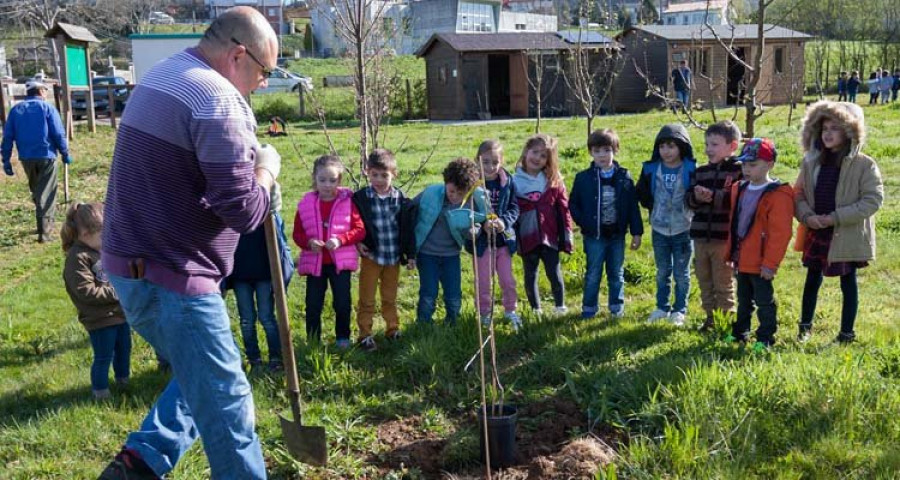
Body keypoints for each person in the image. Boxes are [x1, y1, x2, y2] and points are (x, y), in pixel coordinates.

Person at [98, 7, 282, 480]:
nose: (263, 84)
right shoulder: (218, 99)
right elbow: (243, 210)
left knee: (201, 376)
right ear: (239, 54)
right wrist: (266, 170)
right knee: (228, 406)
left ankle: (141, 462)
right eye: (264, 72)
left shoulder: (165, 74)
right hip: (174, 279)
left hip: (128, 267)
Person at [794, 101, 883, 343]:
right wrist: (807, 217)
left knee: (848, 282)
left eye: (835, 128)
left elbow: (873, 199)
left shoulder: (864, 164)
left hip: (845, 233)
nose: (828, 134)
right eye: (824, 129)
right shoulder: (811, 161)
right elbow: (798, 194)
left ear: (850, 130)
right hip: (817, 230)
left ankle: (846, 333)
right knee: (812, 278)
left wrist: (835, 218)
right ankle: (804, 328)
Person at [723, 138, 794, 350]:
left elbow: (780, 234)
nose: (746, 169)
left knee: (764, 301)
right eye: (744, 164)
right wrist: (731, 254)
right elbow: (735, 224)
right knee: (743, 300)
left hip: (761, 261)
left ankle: (765, 338)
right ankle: (740, 333)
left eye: (753, 165)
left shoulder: (778, 194)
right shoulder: (741, 188)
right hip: (741, 258)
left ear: (770, 165)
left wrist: (770, 263)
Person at [570, 129, 642, 320]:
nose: (602, 155)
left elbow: (633, 207)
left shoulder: (624, 177)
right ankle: (589, 307)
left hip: (617, 235)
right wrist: (584, 222)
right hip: (594, 236)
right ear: (591, 153)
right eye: (597, 151)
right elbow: (573, 204)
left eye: (606, 150)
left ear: (615, 150)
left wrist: (637, 232)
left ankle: (616, 307)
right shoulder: (583, 178)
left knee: (616, 273)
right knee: (593, 273)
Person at [293, 155, 365, 348]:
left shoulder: (347, 202)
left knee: (342, 302)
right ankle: (313, 340)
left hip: (339, 264)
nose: (327, 185)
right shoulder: (305, 204)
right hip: (315, 264)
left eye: (332, 180)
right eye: (322, 180)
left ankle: (343, 337)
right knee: (313, 304)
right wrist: (308, 243)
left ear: (339, 180)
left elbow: (359, 229)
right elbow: (297, 233)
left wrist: (340, 240)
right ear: (314, 179)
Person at [61, 202, 131, 400]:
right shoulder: (78, 258)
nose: (108, 239)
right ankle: (101, 392)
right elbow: (86, 291)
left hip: (120, 314)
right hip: (99, 319)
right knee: (103, 356)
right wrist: (118, 292)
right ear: (85, 234)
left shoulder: (101, 250)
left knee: (124, 350)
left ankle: (123, 382)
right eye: (103, 235)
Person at [409, 157, 486, 326]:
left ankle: (453, 320)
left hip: (451, 255)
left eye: (461, 193)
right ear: (445, 183)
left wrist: (474, 231)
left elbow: (479, 221)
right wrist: (410, 251)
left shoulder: (474, 201)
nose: (455, 197)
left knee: (453, 293)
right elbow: (410, 210)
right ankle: (423, 323)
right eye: (451, 192)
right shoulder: (431, 194)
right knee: (428, 291)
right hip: (427, 254)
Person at [353, 149, 415, 351]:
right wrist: (357, 242)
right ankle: (365, 334)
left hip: (393, 257)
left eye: (384, 175)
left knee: (389, 297)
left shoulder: (400, 198)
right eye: (374, 175)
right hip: (372, 256)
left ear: (394, 174)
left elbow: (407, 228)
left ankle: (392, 329)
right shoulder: (361, 198)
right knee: (367, 298)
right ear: (367, 173)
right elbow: (354, 223)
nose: (379, 180)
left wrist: (410, 254)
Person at [223, 198, 293, 371]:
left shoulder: (266, 214)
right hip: (240, 277)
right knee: (246, 320)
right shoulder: (231, 217)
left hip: (264, 275)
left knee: (267, 317)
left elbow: (281, 244)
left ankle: (276, 358)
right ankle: (254, 359)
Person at [637, 124, 696, 326]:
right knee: (662, 271)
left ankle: (680, 309)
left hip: (684, 228)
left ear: (682, 146)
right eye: (662, 146)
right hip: (659, 229)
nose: (666, 151)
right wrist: (654, 208)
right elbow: (642, 193)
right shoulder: (650, 168)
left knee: (682, 272)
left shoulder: (691, 168)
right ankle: (662, 307)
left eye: (671, 146)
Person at [686, 121, 743, 332]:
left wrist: (714, 197)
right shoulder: (701, 172)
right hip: (700, 237)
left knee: (723, 282)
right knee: (704, 280)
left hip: (723, 238)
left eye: (715, 144)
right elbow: (688, 200)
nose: (709, 149)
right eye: (707, 144)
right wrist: (697, 197)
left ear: (732, 146)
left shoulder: (738, 172)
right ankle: (710, 319)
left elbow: (736, 201)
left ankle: (726, 323)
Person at [1, 78, 71, 243]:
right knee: (46, 193)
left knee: (38, 192)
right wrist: (65, 152)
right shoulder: (47, 108)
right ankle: (45, 234)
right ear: (40, 91)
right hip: (46, 156)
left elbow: (7, 137)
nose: (46, 93)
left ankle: (42, 225)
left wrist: (6, 159)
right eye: (45, 90)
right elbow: (58, 133)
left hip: (26, 158)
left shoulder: (15, 110)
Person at [513, 134, 573, 315]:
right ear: (526, 151)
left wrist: (567, 234)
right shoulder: (513, 181)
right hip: (527, 235)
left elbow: (564, 208)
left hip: (549, 235)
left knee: (554, 272)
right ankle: (535, 310)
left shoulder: (553, 180)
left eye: (543, 155)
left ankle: (560, 306)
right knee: (530, 273)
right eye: (535, 152)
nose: (537, 158)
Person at [471, 140, 521, 330]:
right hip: (483, 243)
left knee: (508, 280)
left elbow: (514, 207)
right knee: (483, 281)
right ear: (477, 160)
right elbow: (467, 209)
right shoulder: (472, 184)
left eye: (494, 162)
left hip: (503, 241)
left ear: (501, 161)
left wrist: (504, 222)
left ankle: (510, 310)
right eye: (485, 162)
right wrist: (481, 223)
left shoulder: (508, 182)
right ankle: (484, 314)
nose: (490, 167)